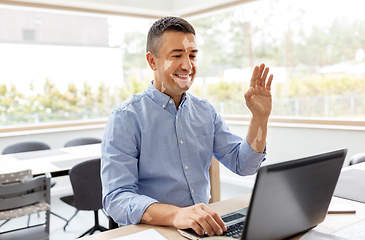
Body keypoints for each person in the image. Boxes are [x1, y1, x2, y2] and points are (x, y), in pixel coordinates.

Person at [101, 16, 273, 237]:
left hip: (201, 230)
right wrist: (176, 215)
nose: (187, 65)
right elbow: (116, 198)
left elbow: (244, 165)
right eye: (177, 56)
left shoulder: (205, 111)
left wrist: (260, 118)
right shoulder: (125, 118)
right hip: (154, 232)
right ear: (152, 61)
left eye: (192, 55)